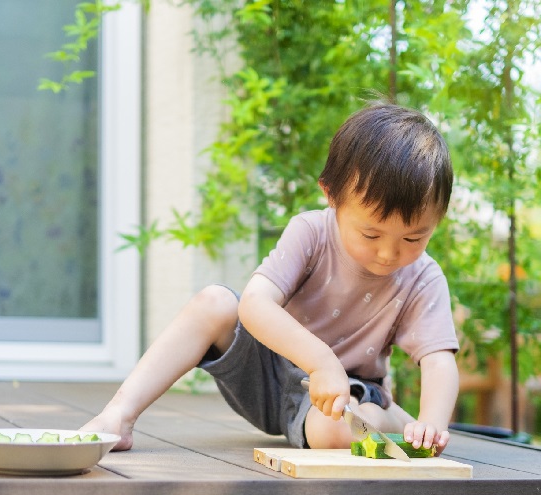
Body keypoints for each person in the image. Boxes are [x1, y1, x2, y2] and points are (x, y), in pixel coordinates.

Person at [81, 101, 460, 453]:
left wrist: (432, 423)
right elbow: (255, 304)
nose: (388, 253)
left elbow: (438, 359)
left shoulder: (422, 276)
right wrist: (320, 361)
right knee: (214, 302)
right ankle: (119, 415)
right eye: (371, 234)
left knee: (341, 431)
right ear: (331, 196)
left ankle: (390, 415)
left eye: (414, 237)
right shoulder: (310, 233)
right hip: (271, 371)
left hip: (343, 394)